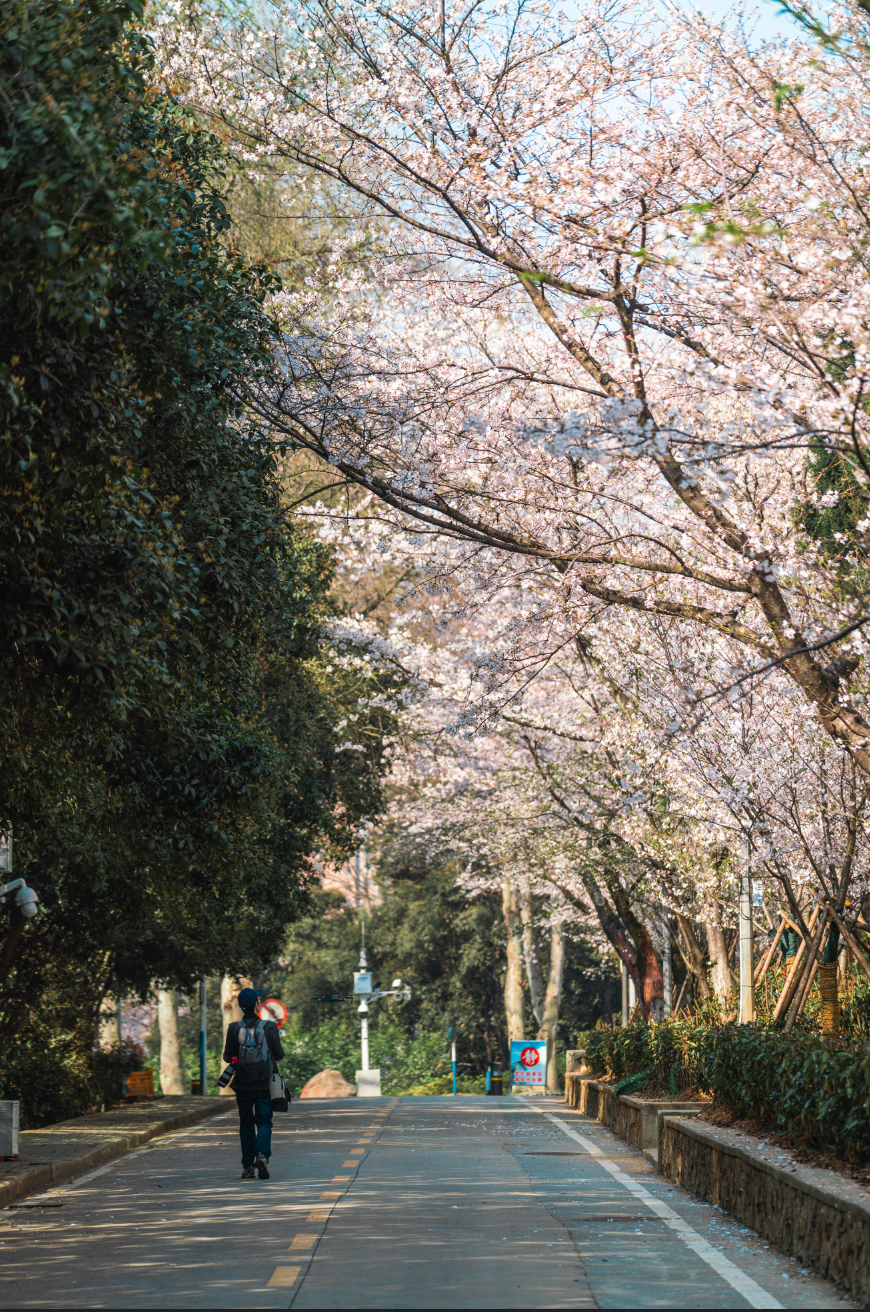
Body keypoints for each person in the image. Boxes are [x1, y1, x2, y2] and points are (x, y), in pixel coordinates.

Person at [223, 986, 285, 1180]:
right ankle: (262, 1155)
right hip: (264, 1084)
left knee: (246, 1124)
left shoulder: (234, 1028)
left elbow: (227, 1057)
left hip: (242, 1085)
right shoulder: (269, 1027)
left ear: (242, 1006)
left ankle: (248, 1167)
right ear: (257, 1004)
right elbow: (280, 1056)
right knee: (264, 1122)